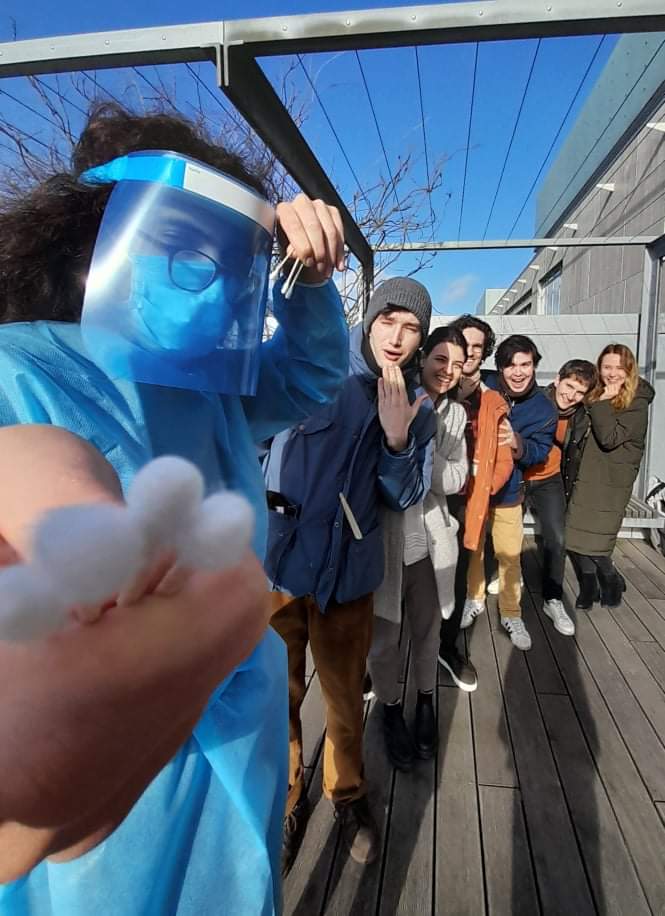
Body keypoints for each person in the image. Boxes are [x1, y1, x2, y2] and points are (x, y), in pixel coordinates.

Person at [0, 102, 348, 915]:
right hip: (115, 742)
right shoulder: (19, 363)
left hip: (238, 716)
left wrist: (307, 282)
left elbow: (309, 377)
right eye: (183, 247)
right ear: (97, 232)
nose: (212, 281)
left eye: (232, 259)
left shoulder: (207, 383)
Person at [263, 277, 435, 874]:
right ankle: (289, 796)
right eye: (388, 320)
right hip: (279, 567)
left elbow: (405, 494)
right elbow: (256, 441)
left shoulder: (417, 404)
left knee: (342, 699)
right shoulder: (317, 370)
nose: (397, 337)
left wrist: (397, 437)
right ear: (368, 320)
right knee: (278, 694)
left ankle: (347, 793)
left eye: (411, 328)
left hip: (349, 577)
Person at [368, 325, 467, 770]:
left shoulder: (455, 415)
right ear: (423, 357)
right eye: (441, 359)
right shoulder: (390, 395)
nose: (448, 370)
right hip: (386, 544)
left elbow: (455, 479)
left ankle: (426, 700)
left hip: (429, 544)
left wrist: (418, 440)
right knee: (384, 639)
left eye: (458, 364)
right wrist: (406, 440)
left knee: (428, 632)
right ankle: (390, 707)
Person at [464, 335, 557, 651]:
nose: (518, 372)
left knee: (509, 553)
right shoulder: (483, 384)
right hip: (474, 487)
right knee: (473, 547)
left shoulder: (544, 408)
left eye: (525, 364)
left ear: (534, 366)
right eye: (511, 365)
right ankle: (473, 597)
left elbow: (540, 451)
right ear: (500, 368)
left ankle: (511, 612)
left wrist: (518, 443)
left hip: (509, 492)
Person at [436, 316, 513, 687]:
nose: (468, 352)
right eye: (463, 344)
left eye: (477, 347)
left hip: (466, 502)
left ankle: (446, 646)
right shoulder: (432, 387)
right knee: (407, 574)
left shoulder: (493, 401)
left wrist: (483, 486)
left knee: (456, 577)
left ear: (484, 353)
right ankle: (387, 654)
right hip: (423, 499)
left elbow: (504, 458)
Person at [564, 343, 654, 609]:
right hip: (586, 472)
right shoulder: (596, 392)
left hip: (611, 479)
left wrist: (601, 403)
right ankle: (589, 585)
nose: (612, 373)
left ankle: (611, 578)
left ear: (629, 370)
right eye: (607, 367)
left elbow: (610, 437)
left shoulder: (636, 401)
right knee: (575, 533)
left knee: (598, 536)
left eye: (619, 368)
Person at [523, 359, 598, 635]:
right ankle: (496, 582)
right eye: (568, 386)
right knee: (502, 532)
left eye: (579, 392)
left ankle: (552, 598)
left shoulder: (581, 416)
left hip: (551, 479)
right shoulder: (533, 400)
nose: (571, 395)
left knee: (557, 537)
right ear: (557, 380)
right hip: (519, 475)